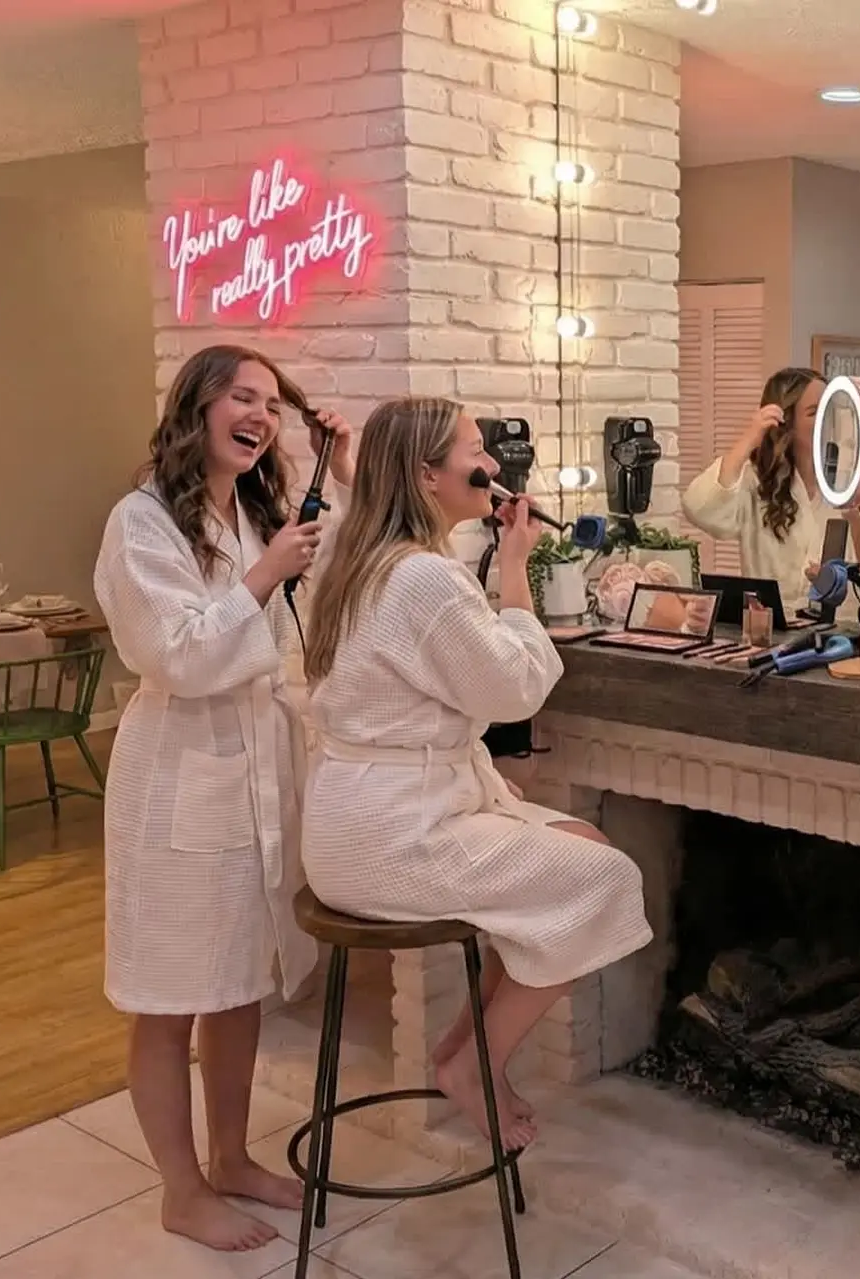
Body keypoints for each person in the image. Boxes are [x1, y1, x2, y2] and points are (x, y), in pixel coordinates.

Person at [299, 396, 652, 1152]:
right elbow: (513, 691)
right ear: (428, 475)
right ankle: (477, 1063)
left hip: (352, 822)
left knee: (580, 836)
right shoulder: (425, 577)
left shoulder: (355, 554)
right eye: (473, 450)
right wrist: (517, 567)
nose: (492, 464)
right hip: (396, 835)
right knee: (608, 877)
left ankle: (464, 1050)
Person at [93, 344, 353, 1253]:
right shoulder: (142, 522)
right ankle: (181, 1187)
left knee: (236, 983)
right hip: (179, 774)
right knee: (169, 996)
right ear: (198, 405)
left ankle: (233, 1156)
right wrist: (265, 572)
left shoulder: (250, 509)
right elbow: (180, 654)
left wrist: (346, 480)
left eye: (274, 405)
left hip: (253, 770)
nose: (262, 415)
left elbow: (338, 592)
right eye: (243, 397)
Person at [680, 366, 835, 610]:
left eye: (830, 408)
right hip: (770, 632)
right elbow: (699, 508)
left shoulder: (845, 486)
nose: (827, 420)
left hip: (838, 636)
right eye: (814, 412)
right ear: (787, 422)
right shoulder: (757, 485)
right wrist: (749, 439)